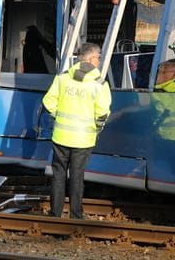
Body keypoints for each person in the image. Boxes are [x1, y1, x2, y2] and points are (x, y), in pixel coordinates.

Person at [42, 43, 111, 219]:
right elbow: (102, 113)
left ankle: (55, 214)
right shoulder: (99, 84)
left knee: (58, 175)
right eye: (99, 57)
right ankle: (75, 215)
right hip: (84, 139)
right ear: (90, 59)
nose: (100, 61)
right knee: (77, 177)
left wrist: (59, 116)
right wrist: (96, 128)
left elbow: (48, 101)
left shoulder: (63, 78)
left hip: (61, 136)